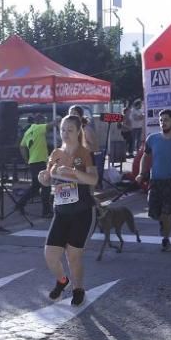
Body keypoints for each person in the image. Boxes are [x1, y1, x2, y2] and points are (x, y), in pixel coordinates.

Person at [39, 115, 98, 305]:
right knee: (50, 254)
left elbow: (93, 180)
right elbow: (48, 177)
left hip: (81, 211)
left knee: (73, 256)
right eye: (62, 130)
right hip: (61, 211)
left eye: (69, 130)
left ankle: (78, 288)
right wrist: (43, 177)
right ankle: (62, 280)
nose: (65, 134)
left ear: (78, 131)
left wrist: (72, 173)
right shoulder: (56, 152)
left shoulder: (84, 153)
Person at [136, 109, 171, 252]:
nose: (163, 122)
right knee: (155, 213)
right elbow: (145, 156)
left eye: (166, 120)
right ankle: (163, 221)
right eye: (161, 120)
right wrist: (141, 173)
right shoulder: (152, 139)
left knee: (167, 213)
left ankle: (166, 239)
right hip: (155, 181)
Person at [16, 114, 51, 215]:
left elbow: (22, 146)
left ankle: (20, 204)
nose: (44, 123)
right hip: (40, 162)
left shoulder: (28, 131)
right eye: (43, 121)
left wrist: (26, 160)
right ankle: (46, 211)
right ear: (39, 121)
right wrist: (59, 120)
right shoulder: (39, 127)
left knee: (35, 187)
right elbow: (50, 125)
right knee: (45, 186)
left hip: (33, 162)